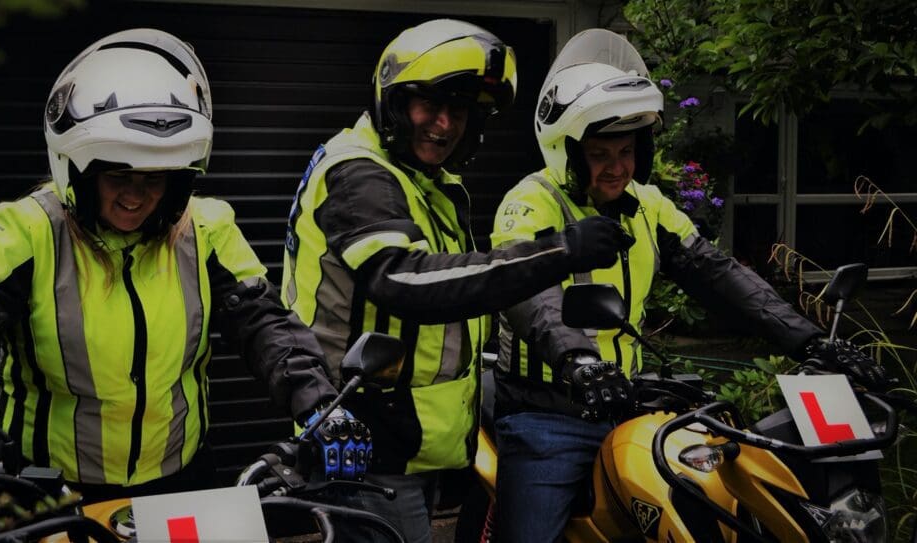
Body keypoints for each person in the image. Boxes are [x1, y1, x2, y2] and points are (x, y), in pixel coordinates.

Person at [0, 28, 368, 505]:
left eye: (154, 178)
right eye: (119, 175)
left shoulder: (206, 228)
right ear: (81, 171)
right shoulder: (26, 230)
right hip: (52, 487)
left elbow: (265, 324)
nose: (135, 196)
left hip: (180, 480)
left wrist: (321, 405)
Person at [489, 28, 891, 542]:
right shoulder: (530, 203)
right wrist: (580, 362)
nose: (617, 168)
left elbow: (719, 275)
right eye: (599, 153)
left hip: (625, 403)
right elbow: (529, 295)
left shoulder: (648, 205)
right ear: (566, 150)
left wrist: (811, 341)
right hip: (547, 414)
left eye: (627, 151)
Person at [281, 19, 635, 542]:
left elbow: (475, 284)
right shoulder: (360, 174)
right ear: (394, 101)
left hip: (411, 444)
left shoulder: (425, 182)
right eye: (430, 104)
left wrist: (567, 349)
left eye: (461, 110)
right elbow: (404, 281)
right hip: (366, 441)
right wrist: (559, 250)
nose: (444, 124)